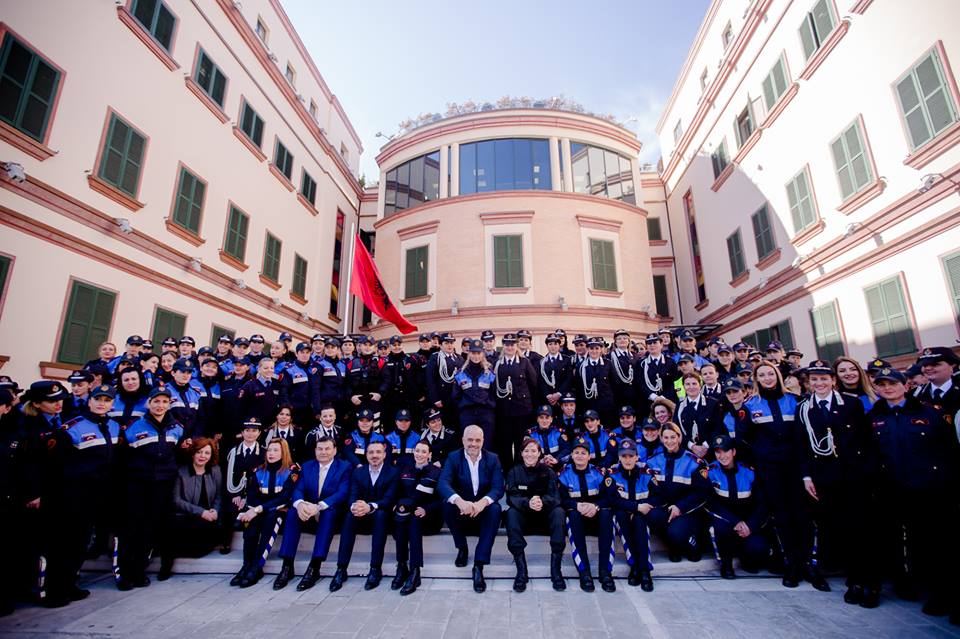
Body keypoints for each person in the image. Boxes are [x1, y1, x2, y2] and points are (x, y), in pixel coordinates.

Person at [868, 367, 959, 620]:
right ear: (875, 388)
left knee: (936, 545)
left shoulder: (930, 413)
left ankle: (943, 595)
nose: (887, 388)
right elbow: (873, 455)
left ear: (905, 385)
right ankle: (914, 586)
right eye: (881, 384)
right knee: (903, 544)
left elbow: (948, 451)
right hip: (892, 490)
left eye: (892, 383)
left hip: (929, 490)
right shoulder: (874, 417)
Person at [796, 359, 874, 603]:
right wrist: (806, 475)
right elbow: (801, 445)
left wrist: (865, 471)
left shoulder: (851, 404)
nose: (819, 383)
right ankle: (849, 577)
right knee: (836, 526)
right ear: (809, 383)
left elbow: (865, 439)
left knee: (859, 529)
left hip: (851, 475)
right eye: (814, 379)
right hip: (822, 476)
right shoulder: (804, 408)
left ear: (833, 380)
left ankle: (864, 581)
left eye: (824, 378)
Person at [43, 384, 122, 607]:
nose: (101, 403)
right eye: (98, 399)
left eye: (106, 400)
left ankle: (70, 584)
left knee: (80, 543)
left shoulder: (114, 427)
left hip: (98, 495)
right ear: (89, 401)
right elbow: (55, 465)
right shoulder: (72, 428)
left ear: (112, 404)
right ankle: (55, 591)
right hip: (73, 495)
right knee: (64, 543)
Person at [743, 362, 820, 589]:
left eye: (770, 374)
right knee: (782, 518)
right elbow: (744, 437)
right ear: (757, 379)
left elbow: (803, 439)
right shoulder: (751, 405)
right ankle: (792, 565)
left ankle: (808, 564)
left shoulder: (794, 402)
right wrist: (759, 458)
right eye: (762, 375)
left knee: (803, 517)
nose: (767, 378)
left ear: (777, 375)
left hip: (795, 468)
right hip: (770, 470)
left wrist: (806, 473)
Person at [116, 386, 185, 590]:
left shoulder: (176, 427)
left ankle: (139, 571)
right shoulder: (133, 427)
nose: (160, 405)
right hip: (138, 484)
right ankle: (125, 573)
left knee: (150, 529)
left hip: (163, 485)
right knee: (132, 529)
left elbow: (176, 455)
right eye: (156, 401)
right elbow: (123, 458)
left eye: (164, 402)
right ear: (149, 403)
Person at [273, 435, 352, 591]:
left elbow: (342, 493)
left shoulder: (344, 467)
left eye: (327, 448)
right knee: (293, 512)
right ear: (315, 450)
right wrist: (300, 504)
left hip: (330, 512)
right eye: (320, 449)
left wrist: (319, 506)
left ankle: (314, 566)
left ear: (335, 450)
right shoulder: (308, 466)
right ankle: (287, 566)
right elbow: (298, 489)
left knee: (328, 513)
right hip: (309, 512)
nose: (323, 452)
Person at [438, 425, 505, 593]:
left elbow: (498, 487)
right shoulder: (453, 457)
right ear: (462, 440)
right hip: (462, 510)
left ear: (483, 441)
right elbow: (443, 483)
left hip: (482, 510)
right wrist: (459, 501)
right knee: (447, 504)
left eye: (477, 440)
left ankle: (478, 565)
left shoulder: (493, 459)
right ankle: (462, 547)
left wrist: (482, 503)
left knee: (495, 509)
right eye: (469, 439)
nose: (473, 444)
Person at [329, 440, 399, 591]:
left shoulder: (393, 472)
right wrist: (355, 506)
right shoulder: (358, 472)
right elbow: (352, 495)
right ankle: (341, 569)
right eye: (371, 452)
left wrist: (370, 506)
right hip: (361, 515)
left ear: (384, 454)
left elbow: (389, 499)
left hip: (382, 516)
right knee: (349, 516)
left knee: (380, 515)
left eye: (378, 452)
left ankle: (375, 568)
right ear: (366, 455)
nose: (375, 455)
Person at [234, 438, 300, 588]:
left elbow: (284, 498)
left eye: (276, 450)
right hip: (260, 510)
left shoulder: (291, 471)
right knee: (251, 523)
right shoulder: (258, 471)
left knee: (270, 518)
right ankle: (246, 565)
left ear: (284, 452)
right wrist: (254, 511)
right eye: (269, 450)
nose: (271, 453)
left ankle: (257, 567)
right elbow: (252, 495)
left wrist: (258, 510)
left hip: (279, 512)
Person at [504, 437, 566, 592]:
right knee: (511, 513)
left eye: (533, 451)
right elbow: (511, 496)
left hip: (545, 519)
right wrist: (528, 502)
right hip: (525, 519)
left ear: (539, 453)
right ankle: (521, 571)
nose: (530, 454)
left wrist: (542, 502)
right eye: (526, 451)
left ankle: (556, 570)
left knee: (559, 512)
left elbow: (555, 496)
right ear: (521, 454)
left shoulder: (548, 471)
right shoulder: (514, 472)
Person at [704, 435, 768, 580]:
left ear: (733, 452)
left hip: (747, 523)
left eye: (725, 451)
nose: (722, 456)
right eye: (718, 452)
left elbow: (762, 504)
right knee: (719, 527)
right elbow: (711, 503)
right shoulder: (711, 472)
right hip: (725, 521)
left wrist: (749, 525)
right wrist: (734, 522)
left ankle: (747, 559)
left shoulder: (749, 472)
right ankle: (726, 565)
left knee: (758, 549)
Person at [644, 422, 710, 563]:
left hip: (688, 510)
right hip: (666, 507)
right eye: (666, 438)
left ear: (679, 438)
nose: (669, 441)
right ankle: (673, 545)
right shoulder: (654, 460)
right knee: (652, 516)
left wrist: (680, 507)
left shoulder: (694, 462)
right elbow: (653, 490)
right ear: (661, 438)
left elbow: (701, 493)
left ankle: (692, 544)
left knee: (677, 533)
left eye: (673, 437)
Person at [558, 436, 615, 592]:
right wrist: (576, 505)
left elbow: (610, 498)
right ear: (572, 455)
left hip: (596, 519)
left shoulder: (599, 473)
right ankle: (585, 572)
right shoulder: (564, 474)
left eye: (583, 453)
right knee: (573, 516)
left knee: (606, 514)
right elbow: (560, 499)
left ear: (589, 456)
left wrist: (596, 506)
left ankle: (605, 572)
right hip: (577, 520)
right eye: (576, 452)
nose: (580, 456)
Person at [161, 438, 222, 580]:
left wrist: (215, 510)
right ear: (192, 453)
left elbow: (220, 494)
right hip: (184, 516)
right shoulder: (181, 472)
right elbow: (176, 500)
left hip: (206, 519)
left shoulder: (215, 470)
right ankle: (165, 566)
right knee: (169, 528)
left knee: (198, 548)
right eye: (199, 452)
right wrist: (201, 512)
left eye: (207, 453)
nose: (203, 456)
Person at [392, 440, 443, 595]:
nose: (419, 454)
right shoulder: (405, 469)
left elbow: (442, 499)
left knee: (413, 519)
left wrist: (426, 509)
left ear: (429, 454)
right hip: (407, 515)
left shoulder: (436, 472)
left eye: (423, 451)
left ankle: (415, 571)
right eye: (417, 451)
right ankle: (402, 566)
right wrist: (395, 505)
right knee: (401, 517)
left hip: (429, 519)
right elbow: (397, 492)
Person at [605, 438, 655, 591]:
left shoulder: (646, 471)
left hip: (643, 514)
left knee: (640, 521)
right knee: (621, 515)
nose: (627, 460)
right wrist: (635, 507)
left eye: (630, 456)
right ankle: (635, 565)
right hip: (624, 512)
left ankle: (644, 570)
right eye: (624, 456)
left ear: (637, 457)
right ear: (619, 457)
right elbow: (611, 499)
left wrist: (640, 509)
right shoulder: (612, 473)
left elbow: (659, 495)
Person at [492, 333, 538, 465]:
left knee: (520, 443)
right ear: (503, 346)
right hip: (503, 411)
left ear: (516, 346)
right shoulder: (497, 364)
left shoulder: (524, 362)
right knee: (505, 443)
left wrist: (532, 408)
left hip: (521, 410)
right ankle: (507, 472)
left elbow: (533, 385)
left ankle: (519, 470)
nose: (509, 347)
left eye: (512, 344)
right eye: (507, 345)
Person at [222, 418, 266, 553]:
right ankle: (225, 543)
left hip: (255, 495)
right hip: (234, 492)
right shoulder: (232, 452)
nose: (250, 434)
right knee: (228, 510)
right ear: (242, 432)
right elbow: (227, 475)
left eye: (254, 431)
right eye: (247, 430)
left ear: (259, 433)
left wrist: (245, 497)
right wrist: (236, 495)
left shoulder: (264, 453)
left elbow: (263, 478)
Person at [452, 339, 497, 447]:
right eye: (473, 353)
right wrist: (465, 405)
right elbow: (455, 395)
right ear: (469, 353)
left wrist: (488, 403)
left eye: (478, 353)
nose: (476, 356)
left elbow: (494, 393)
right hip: (467, 414)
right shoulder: (460, 373)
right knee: (468, 445)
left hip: (485, 413)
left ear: (483, 354)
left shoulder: (489, 372)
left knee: (486, 444)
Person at [674, 372, 722, 459]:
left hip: (710, 451)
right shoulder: (680, 406)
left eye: (694, 383)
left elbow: (718, 427)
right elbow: (677, 429)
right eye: (687, 384)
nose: (691, 387)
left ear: (700, 385)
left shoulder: (712, 403)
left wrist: (705, 446)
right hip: (688, 452)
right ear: (683, 387)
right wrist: (692, 446)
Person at [915, 347, 960, 429]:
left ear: (952, 366)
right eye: (924, 365)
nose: (928, 368)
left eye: (935, 364)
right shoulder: (915, 394)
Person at [426, 333, 463, 431]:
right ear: (441, 345)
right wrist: (436, 399)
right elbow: (430, 380)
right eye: (446, 343)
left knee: (458, 424)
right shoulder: (435, 358)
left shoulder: (459, 358)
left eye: (451, 343)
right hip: (443, 398)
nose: (449, 345)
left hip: (457, 397)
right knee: (446, 426)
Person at [577, 337, 617, 428]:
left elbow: (614, 384)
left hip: (606, 406)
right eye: (591, 348)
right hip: (588, 405)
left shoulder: (608, 364)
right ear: (587, 349)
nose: (594, 351)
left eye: (597, 348)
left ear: (601, 349)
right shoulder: (581, 366)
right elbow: (578, 386)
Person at [278, 342, 318, 429]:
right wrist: (289, 408)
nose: (305, 355)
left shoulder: (314, 369)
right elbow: (284, 391)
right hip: (295, 411)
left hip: (310, 412)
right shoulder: (290, 369)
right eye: (302, 352)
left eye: (307, 352)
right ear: (297, 354)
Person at [239, 358, 282, 427]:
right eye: (265, 368)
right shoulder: (249, 385)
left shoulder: (277, 384)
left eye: (272, 368)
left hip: (273, 426)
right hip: (254, 427)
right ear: (259, 369)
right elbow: (241, 408)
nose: (269, 370)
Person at [526, 405, 568, 470]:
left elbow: (566, 449)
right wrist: (540, 461)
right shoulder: (531, 435)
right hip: (536, 467)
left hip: (556, 467)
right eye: (541, 417)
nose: (544, 421)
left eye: (547, 417)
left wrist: (556, 459)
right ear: (537, 419)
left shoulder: (558, 433)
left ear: (551, 419)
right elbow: (526, 454)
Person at [538, 333, 573, 406]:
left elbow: (568, 379)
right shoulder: (542, 362)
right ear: (547, 346)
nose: (553, 347)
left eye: (555, 344)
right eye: (550, 344)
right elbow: (541, 381)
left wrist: (558, 394)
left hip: (563, 398)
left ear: (559, 345)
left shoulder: (567, 360)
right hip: (547, 399)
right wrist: (548, 395)